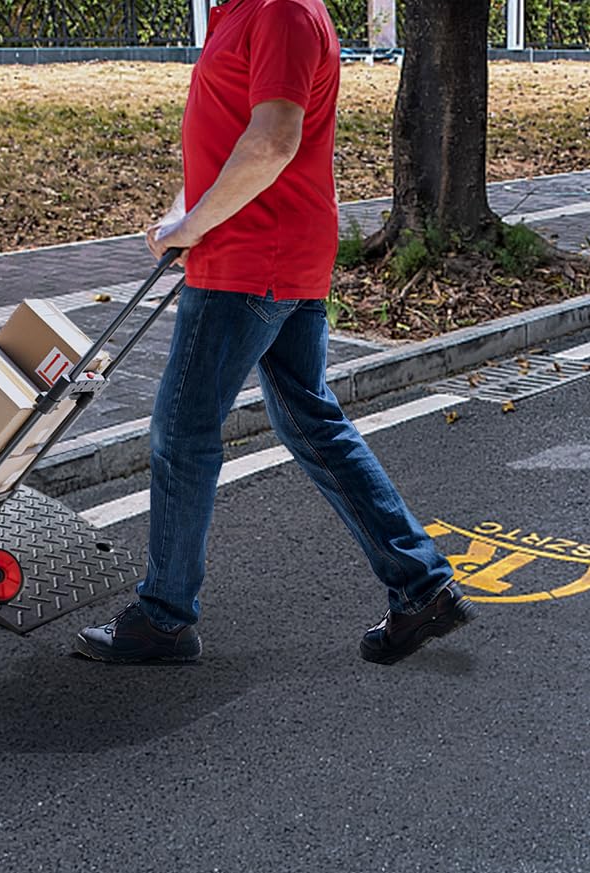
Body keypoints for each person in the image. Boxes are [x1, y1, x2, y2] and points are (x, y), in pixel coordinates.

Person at [75, 0, 476, 665]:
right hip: (266, 254)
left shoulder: (283, 9)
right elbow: (232, 129)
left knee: (182, 431)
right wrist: (184, 213)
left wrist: (195, 228)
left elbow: (274, 139)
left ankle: (165, 617)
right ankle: (420, 584)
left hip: (252, 260)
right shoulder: (240, 9)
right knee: (310, 421)